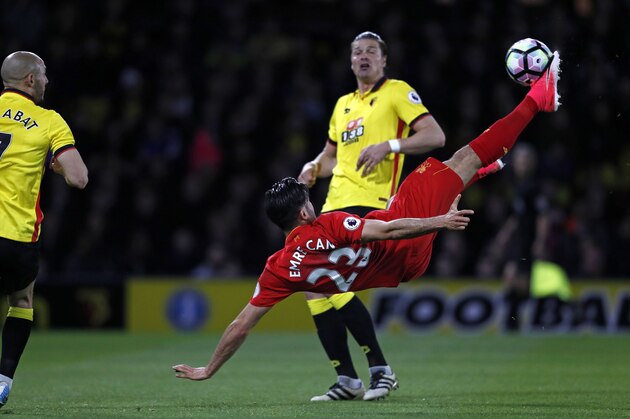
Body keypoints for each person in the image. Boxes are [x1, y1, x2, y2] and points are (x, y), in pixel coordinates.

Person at [172, 50, 561, 391]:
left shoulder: (279, 268)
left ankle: (481, 170)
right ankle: (536, 101)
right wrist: (440, 221)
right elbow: (389, 229)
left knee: (445, 172)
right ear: (306, 212)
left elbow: (242, 324)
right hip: (402, 238)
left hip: (402, 265)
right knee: (465, 157)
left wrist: (209, 368)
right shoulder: (331, 224)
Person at [296, 31, 447, 402]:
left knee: (333, 281)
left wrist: (390, 145)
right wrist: (314, 166)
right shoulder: (343, 104)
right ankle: (348, 378)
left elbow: (435, 136)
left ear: (384, 61)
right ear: (350, 62)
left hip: (372, 204)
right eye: (357, 52)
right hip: (332, 206)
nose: (363, 57)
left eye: (371, 52)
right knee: (316, 285)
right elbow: (332, 157)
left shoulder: (396, 91)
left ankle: (380, 370)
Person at [0, 51, 88, 407]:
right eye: (45, 75)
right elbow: (79, 178)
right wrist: (55, 167)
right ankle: (2, 381)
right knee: (21, 300)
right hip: (16, 236)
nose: (48, 81)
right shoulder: (48, 120)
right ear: (31, 80)